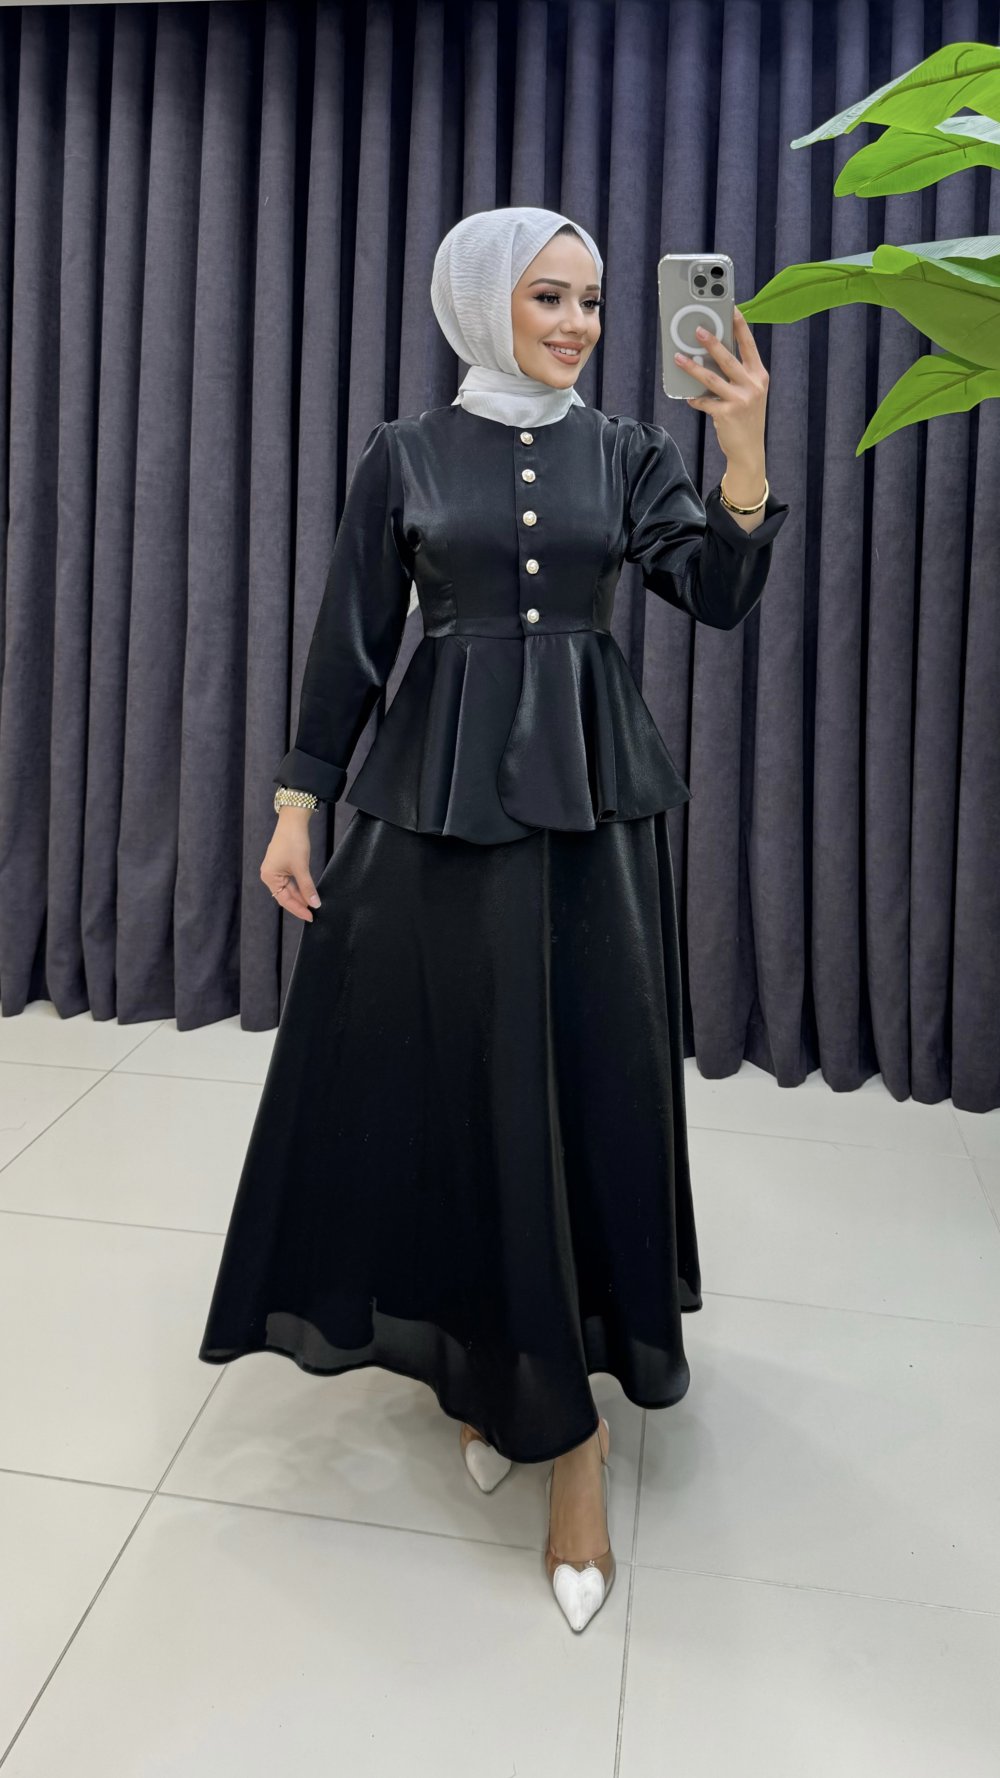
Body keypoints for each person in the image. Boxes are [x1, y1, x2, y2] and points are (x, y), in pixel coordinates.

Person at [198, 206, 789, 1634]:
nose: (579, 324)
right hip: (439, 808)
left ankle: (574, 1442)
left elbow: (713, 592)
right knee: (454, 1084)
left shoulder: (625, 451)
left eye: (591, 299)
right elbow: (352, 639)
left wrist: (745, 450)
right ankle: (487, 1359)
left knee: (582, 1086)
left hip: (592, 816)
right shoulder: (403, 455)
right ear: (479, 303)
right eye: (548, 298)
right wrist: (297, 802)